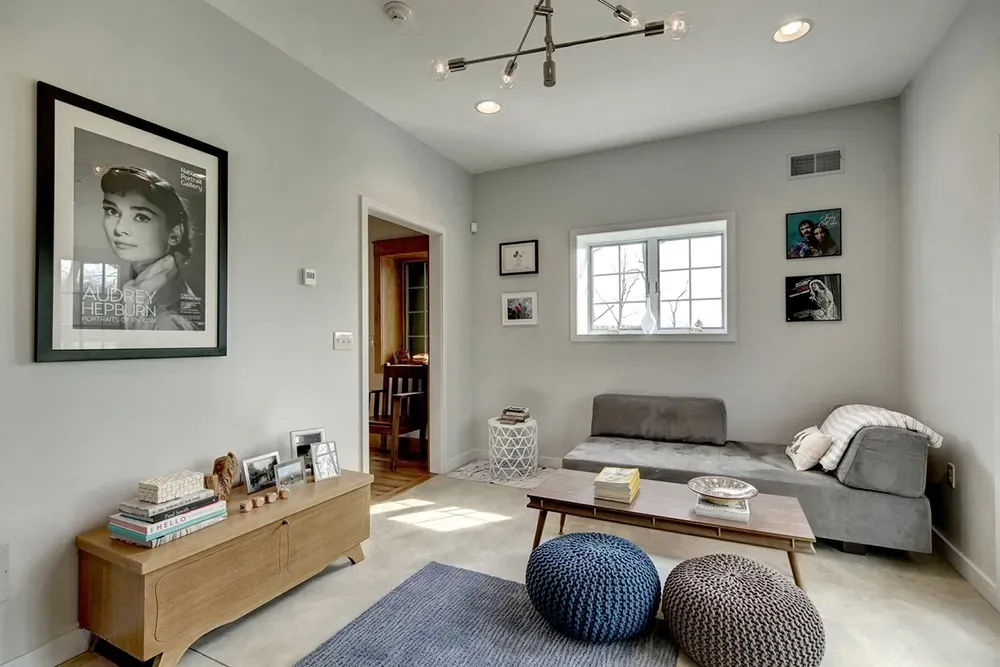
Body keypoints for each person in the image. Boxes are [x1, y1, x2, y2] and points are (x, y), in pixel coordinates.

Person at [100, 166, 202, 330]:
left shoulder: (169, 319)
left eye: (141, 217)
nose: (119, 229)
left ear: (174, 234)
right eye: (112, 211)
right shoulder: (139, 285)